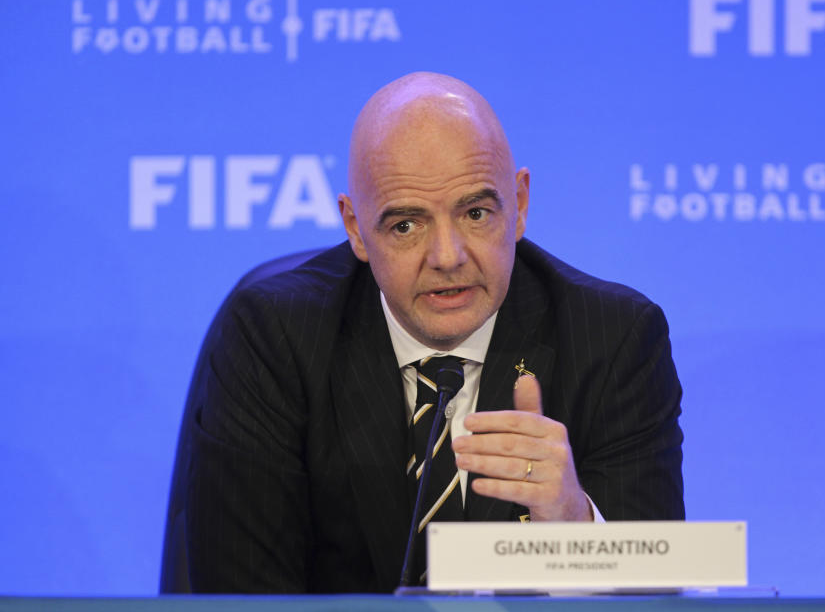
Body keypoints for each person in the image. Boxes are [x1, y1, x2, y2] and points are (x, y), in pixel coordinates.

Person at [168, 72, 684, 593]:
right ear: (355, 228)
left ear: (520, 204)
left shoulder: (614, 339)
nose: (447, 257)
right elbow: (243, 596)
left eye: (476, 213)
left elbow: (655, 596)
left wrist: (574, 527)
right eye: (405, 226)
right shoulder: (275, 338)